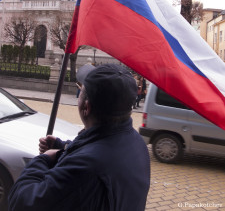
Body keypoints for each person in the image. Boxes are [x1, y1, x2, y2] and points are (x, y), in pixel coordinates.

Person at [8, 64, 150, 211]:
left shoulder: (86, 168)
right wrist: (62, 147)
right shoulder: (137, 143)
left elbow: (22, 202)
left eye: (81, 90)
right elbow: (99, 150)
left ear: (86, 107)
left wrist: (42, 159)